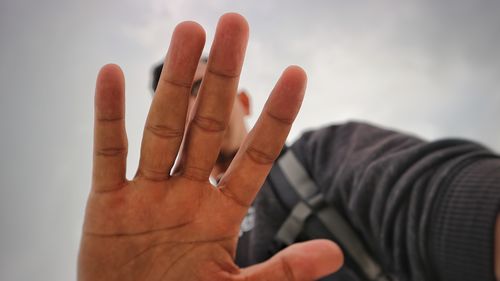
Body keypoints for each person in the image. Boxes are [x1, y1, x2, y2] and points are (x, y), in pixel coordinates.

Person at [78, 13, 500, 281]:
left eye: (200, 89)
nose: (190, 109)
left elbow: (433, 196)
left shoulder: (321, 155)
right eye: (176, 99)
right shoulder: (167, 238)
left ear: (243, 101)